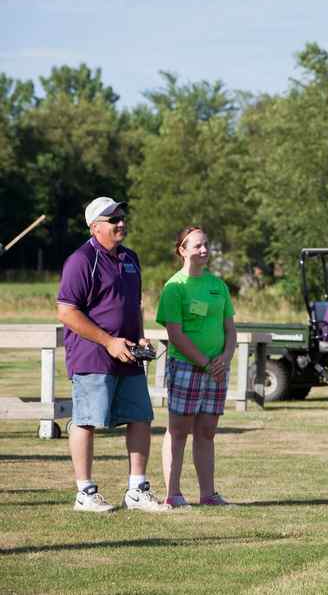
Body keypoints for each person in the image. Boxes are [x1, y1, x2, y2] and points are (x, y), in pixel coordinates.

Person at [56, 197, 165, 512]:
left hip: (129, 354)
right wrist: (108, 342)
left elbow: (134, 304)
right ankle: (85, 493)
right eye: (112, 219)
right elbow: (67, 312)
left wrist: (139, 334)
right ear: (95, 227)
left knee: (141, 417)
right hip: (93, 356)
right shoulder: (81, 260)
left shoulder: (131, 258)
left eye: (121, 216)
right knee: (86, 421)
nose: (120, 222)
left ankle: (137, 490)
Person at [155, 226, 237, 509]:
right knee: (178, 431)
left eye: (206, 245)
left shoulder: (218, 285)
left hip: (216, 369)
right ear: (183, 250)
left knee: (206, 433)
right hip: (187, 368)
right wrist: (204, 363)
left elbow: (230, 328)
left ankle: (208, 494)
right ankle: (172, 494)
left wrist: (225, 357)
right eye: (197, 246)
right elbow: (175, 334)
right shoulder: (174, 287)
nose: (204, 251)